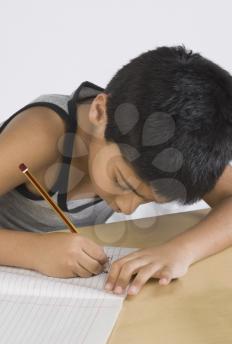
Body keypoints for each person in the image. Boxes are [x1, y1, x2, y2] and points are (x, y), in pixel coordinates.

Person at [0, 45, 231, 296]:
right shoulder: (42, 135)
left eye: (146, 199)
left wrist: (181, 251)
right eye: (121, 182)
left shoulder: (173, 148)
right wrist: (32, 251)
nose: (127, 207)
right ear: (100, 112)